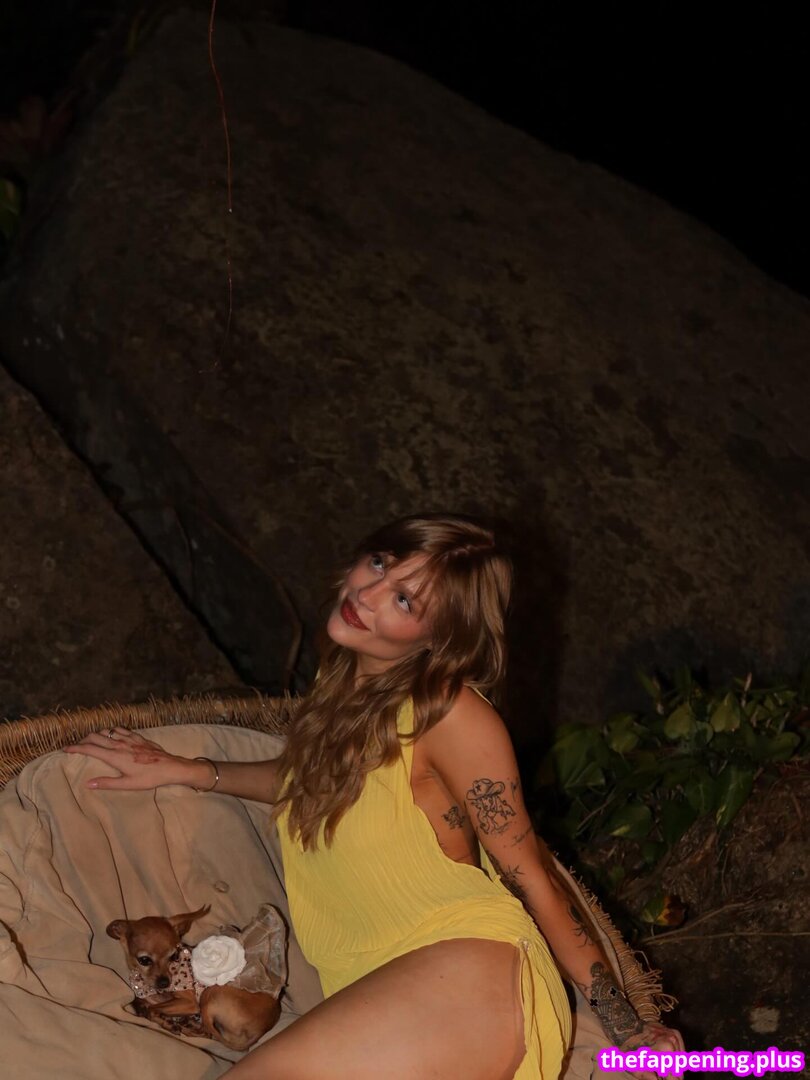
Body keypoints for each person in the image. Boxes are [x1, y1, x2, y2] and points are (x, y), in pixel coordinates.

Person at [66, 513, 683, 1079]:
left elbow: (531, 877)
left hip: (469, 970)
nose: (368, 593)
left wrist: (630, 1027)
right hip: (378, 988)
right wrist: (191, 770)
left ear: (441, 637)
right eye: (382, 563)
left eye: (405, 599)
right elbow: (307, 782)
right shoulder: (343, 685)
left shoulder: (452, 715)